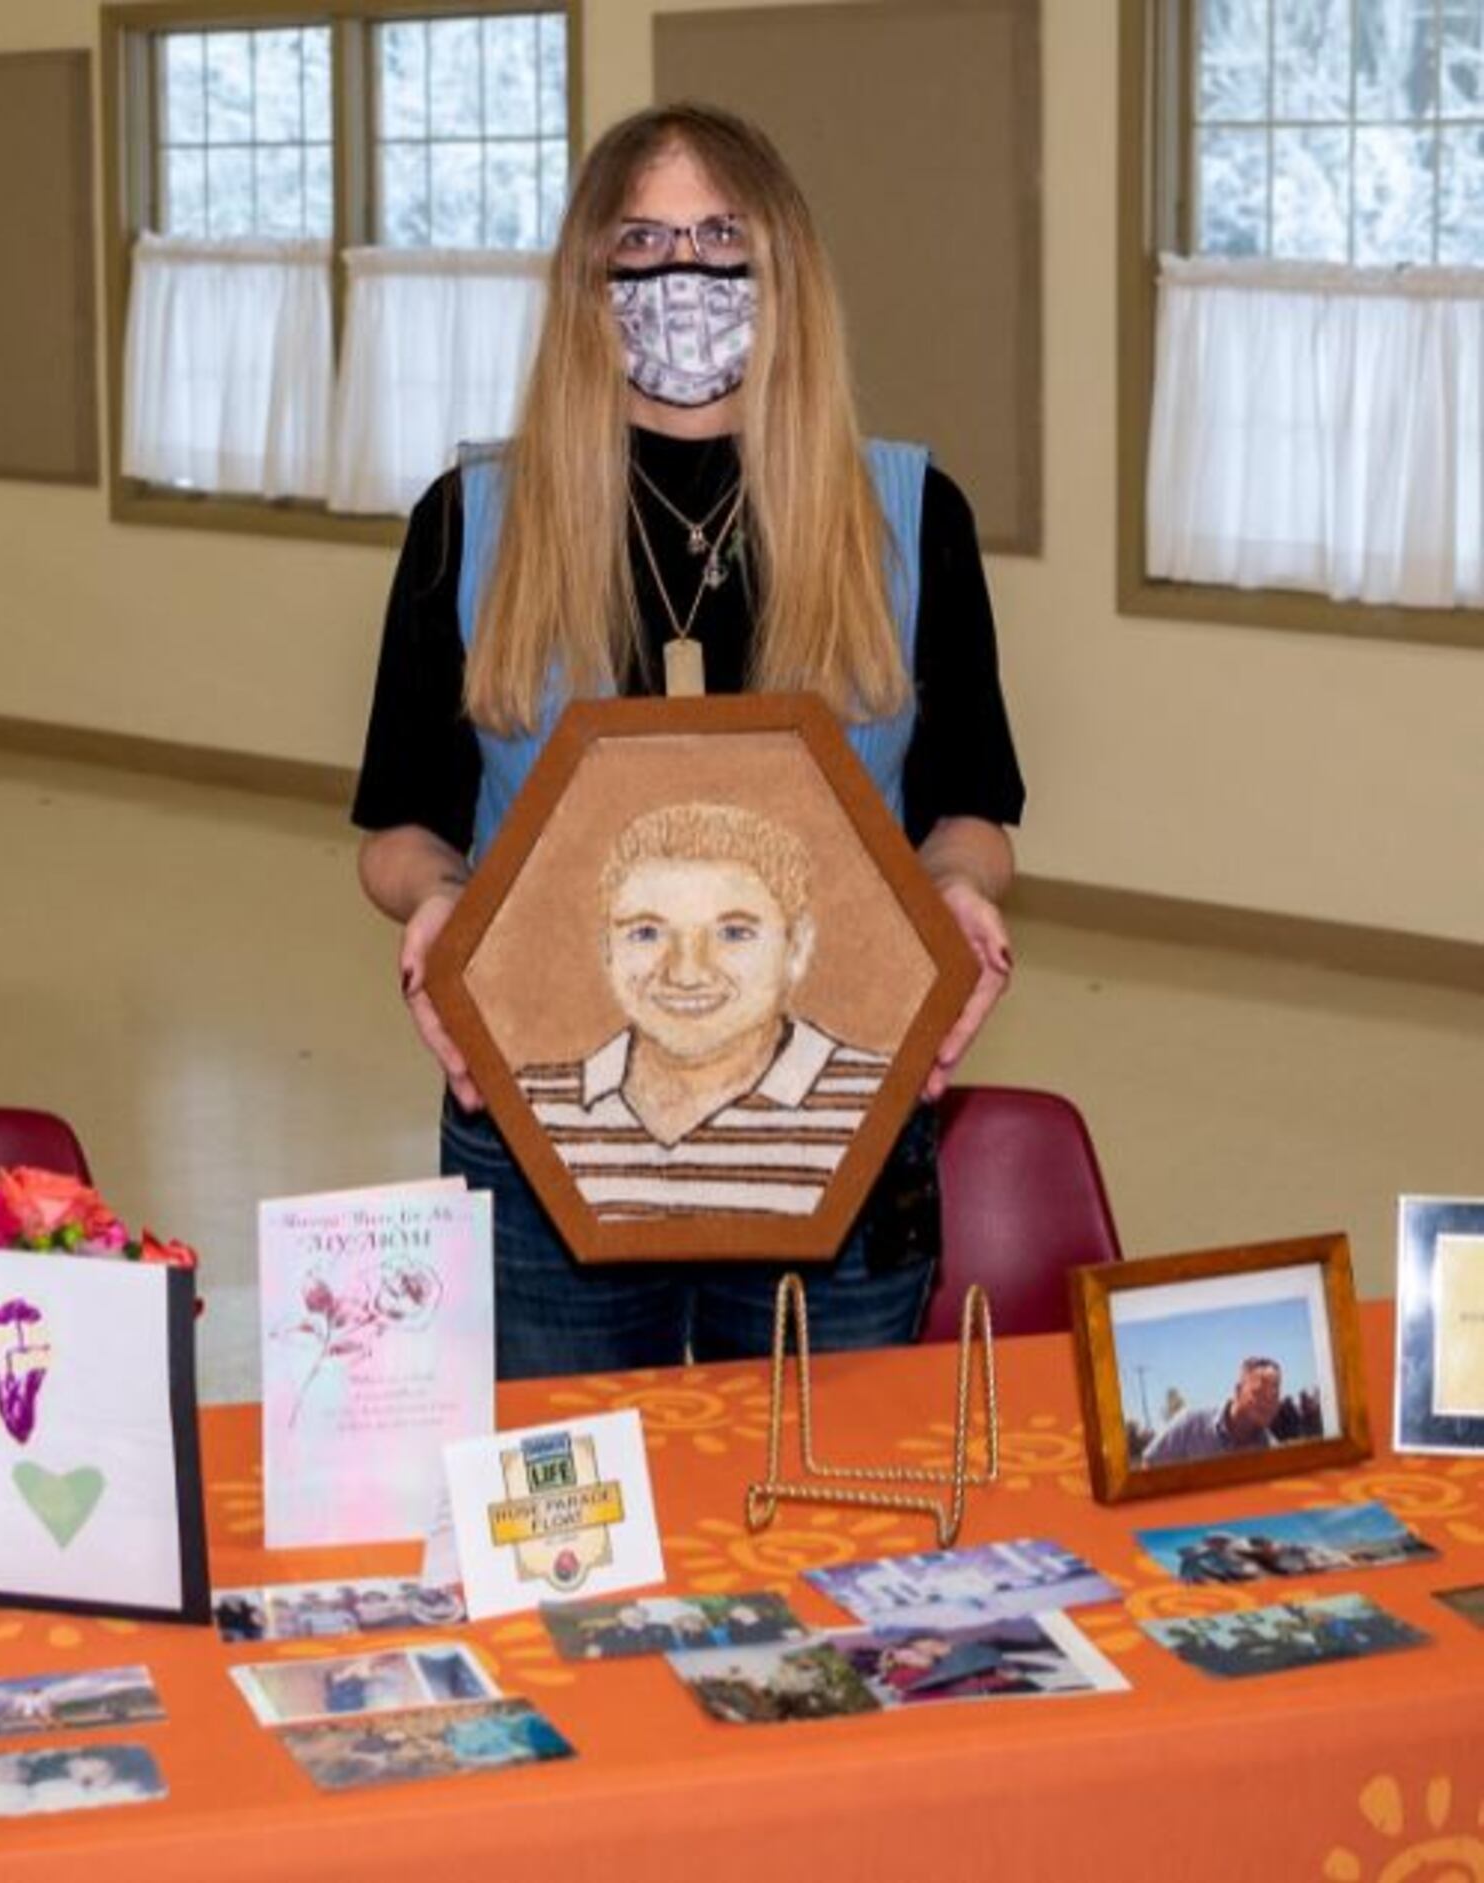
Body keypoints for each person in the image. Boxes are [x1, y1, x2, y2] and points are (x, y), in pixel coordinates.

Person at [354, 102, 1025, 1379]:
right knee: (570, 1505)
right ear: (585, 283)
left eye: (721, 237)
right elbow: (400, 828)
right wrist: (443, 902)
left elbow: (970, 812)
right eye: (642, 243)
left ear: (784, 267)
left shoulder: (906, 515)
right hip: (543, 1103)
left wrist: (956, 890)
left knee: (824, 1501)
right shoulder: (470, 521)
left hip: (831, 1111)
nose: (683, 277)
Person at [516, 801, 889, 1216]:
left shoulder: (876, 1098)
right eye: (646, 932)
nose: (686, 973)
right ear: (607, 949)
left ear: (796, 947)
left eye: (733, 932)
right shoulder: (533, 1103)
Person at [1142, 1357, 1284, 1466]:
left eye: (1274, 1395)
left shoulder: (1274, 1453)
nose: (1268, 1403)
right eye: (1258, 1393)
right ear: (1238, 1391)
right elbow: (1150, 1464)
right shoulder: (1190, 1425)